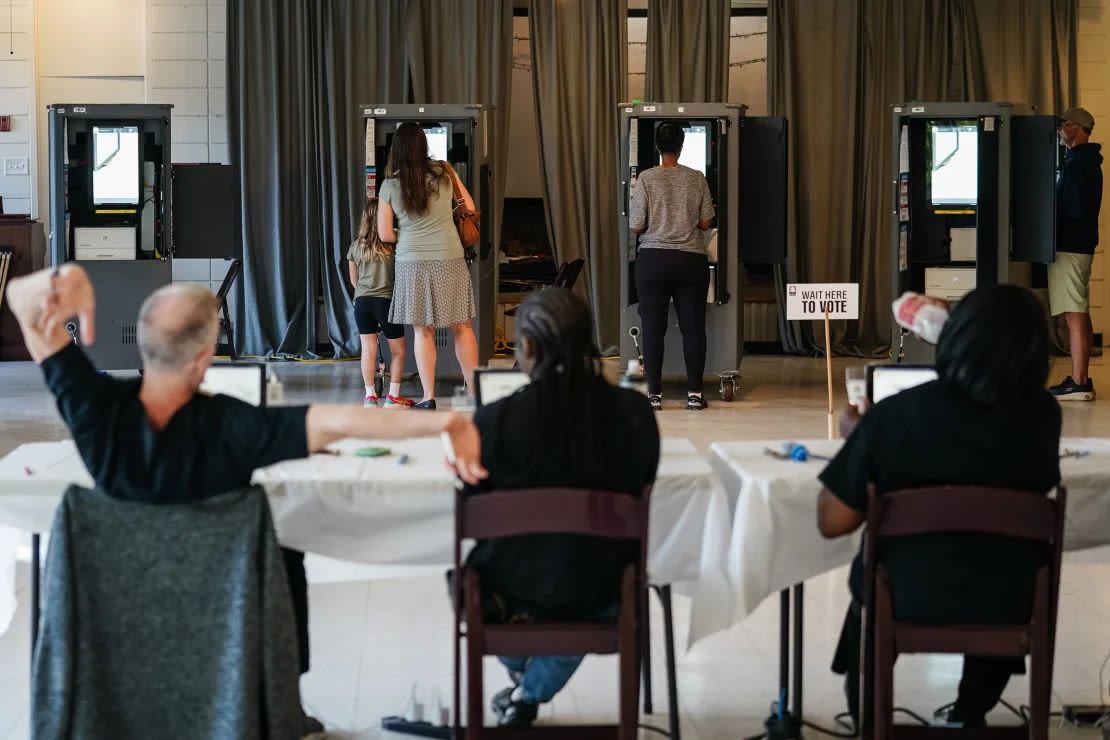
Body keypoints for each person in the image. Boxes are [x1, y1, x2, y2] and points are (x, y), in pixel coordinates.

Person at [8, 265, 487, 734]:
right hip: (221, 629)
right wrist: (449, 421)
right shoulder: (237, 428)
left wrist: (63, 279)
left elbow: (21, 305)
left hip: (116, 631)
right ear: (203, 356)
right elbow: (347, 422)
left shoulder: (93, 411)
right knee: (288, 551)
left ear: (147, 343)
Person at [817, 284, 1061, 729]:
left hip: (906, 594)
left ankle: (870, 723)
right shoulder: (1045, 416)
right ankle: (969, 714)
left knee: (867, 592)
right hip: (1010, 600)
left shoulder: (897, 415)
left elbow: (832, 520)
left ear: (953, 339)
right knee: (998, 566)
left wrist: (864, 435)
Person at [462, 287, 660, 727]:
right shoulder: (635, 412)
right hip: (605, 591)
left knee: (486, 579)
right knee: (577, 578)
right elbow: (644, 480)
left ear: (527, 348)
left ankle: (525, 685)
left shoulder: (494, 421)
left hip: (510, 592)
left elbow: (476, 505)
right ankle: (528, 691)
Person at [378, 122, 479, 409]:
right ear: (424, 146)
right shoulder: (445, 173)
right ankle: (473, 392)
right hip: (449, 257)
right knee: (462, 327)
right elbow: (469, 208)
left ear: (396, 149)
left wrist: (410, 234)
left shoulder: (390, 184)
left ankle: (428, 397)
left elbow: (385, 234)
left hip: (412, 263)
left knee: (423, 331)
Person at [629, 121, 716, 412]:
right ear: (681, 146)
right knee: (693, 329)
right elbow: (706, 222)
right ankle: (694, 394)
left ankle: (653, 395)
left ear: (657, 146)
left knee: (653, 329)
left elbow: (636, 225)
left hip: (653, 261)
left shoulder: (645, 179)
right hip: (690, 261)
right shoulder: (697, 178)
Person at [1049, 107, 1103, 401]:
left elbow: (1074, 208)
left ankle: (1079, 382)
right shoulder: (1081, 161)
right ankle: (1080, 378)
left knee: (1073, 312)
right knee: (1077, 308)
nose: (1060, 129)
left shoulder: (1078, 165)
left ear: (1079, 128)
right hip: (1078, 245)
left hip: (1071, 246)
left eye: (1064, 124)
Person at [348, 196, 412, 408]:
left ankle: (370, 397)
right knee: (399, 349)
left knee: (368, 349)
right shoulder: (392, 243)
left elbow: (353, 280)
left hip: (362, 303)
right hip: (385, 302)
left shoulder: (356, 246)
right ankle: (393, 396)